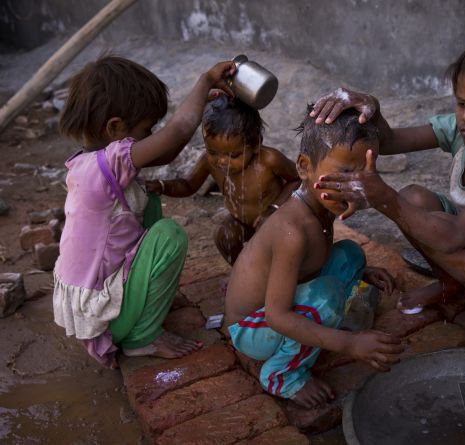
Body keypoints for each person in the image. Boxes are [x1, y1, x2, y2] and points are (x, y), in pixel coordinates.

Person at [310, 29, 465, 353]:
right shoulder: (463, 131)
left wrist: (384, 198)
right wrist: (372, 109)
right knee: (414, 198)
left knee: (434, 226)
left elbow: (452, 236)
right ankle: (454, 285)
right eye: (462, 102)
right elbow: (391, 141)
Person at [53, 55, 237, 368]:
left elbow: (167, 151)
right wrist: (205, 80)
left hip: (97, 294)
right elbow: (177, 132)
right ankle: (141, 337)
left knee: (147, 196)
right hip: (107, 319)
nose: (151, 134)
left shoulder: (91, 162)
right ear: (115, 128)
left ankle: (148, 297)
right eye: (146, 128)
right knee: (170, 235)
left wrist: (201, 101)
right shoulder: (105, 166)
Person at [224, 107, 405, 408]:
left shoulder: (322, 205)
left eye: (366, 172)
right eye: (346, 173)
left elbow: (315, 261)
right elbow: (277, 316)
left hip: (277, 304)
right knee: (328, 295)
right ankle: (284, 376)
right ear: (305, 167)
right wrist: (349, 344)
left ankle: (328, 319)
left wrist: (360, 273)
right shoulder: (292, 231)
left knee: (350, 254)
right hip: (252, 328)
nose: (356, 186)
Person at [146, 94, 299, 265]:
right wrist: (162, 186)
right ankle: (242, 272)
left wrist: (274, 209)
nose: (222, 161)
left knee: (275, 247)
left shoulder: (269, 160)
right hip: (242, 222)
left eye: (234, 155)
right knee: (224, 235)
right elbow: (189, 185)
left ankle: (276, 274)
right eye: (213, 152)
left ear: (256, 143)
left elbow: (297, 180)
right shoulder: (209, 162)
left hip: (274, 218)